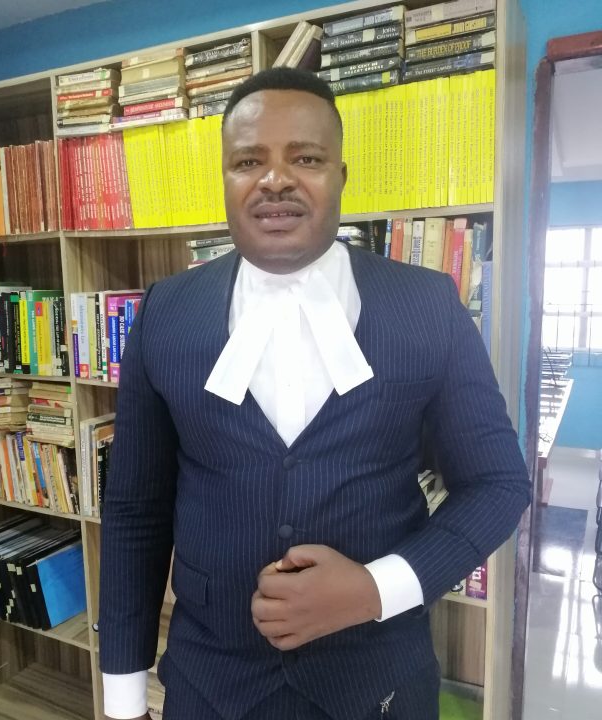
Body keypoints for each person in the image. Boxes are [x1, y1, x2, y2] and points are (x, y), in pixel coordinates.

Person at [99, 68, 530, 720]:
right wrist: (123, 698)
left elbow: (498, 485)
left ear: (341, 176)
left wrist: (375, 589)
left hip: (380, 689)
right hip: (210, 688)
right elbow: (136, 509)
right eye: (249, 161)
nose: (275, 180)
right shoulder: (165, 313)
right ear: (225, 179)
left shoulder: (428, 306)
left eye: (305, 158)